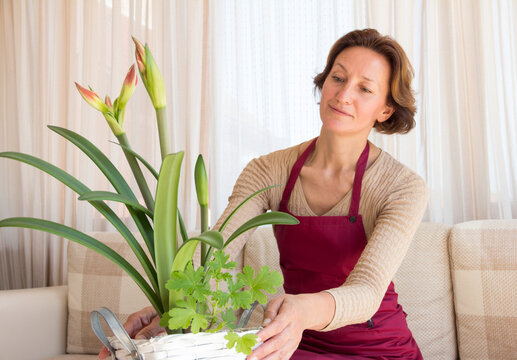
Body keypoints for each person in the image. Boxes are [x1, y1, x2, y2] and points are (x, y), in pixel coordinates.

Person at [99, 28, 429, 360]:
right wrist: (168, 311)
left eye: (365, 88)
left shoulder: (401, 187)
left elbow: (368, 289)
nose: (343, 95)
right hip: (293, 340)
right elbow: (218, 247)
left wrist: (301, 310)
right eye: (338, 78)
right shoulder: (268, 171)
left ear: (385, 110)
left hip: (377, 346)